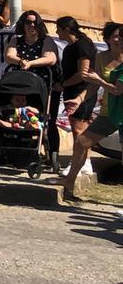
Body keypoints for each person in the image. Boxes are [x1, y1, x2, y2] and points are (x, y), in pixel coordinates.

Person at [62, 22, 123, 202]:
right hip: (109, 112)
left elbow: (117, 89)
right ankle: (69, 184)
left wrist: (100, 81)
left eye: (121, 35)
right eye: (115, 35)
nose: (118, 39)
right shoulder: (102, 57)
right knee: (81, 142)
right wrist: (79, 99)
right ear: (108, 38)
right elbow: (93, 84)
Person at [4, 9, 59, 167]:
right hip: (20, 86)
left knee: (46, 120)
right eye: (28, 22)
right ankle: (14, 151)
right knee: (17, 117)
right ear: (23, 24)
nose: (31, 25)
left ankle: (50, 153)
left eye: (35, 22)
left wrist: (31, 63)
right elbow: (9, 56)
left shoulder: (45, 40)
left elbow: (51, 58)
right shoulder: (16, 40)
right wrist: (21, 61)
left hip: (41, 86)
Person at [56, 16, 99, 177]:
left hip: (82, 92)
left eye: (59, 28)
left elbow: (83, 74)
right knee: (78, 128)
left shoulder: (82, 46)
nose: (56, 32)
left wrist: (64, 84)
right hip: (71, 92)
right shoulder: (69, 48)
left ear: (66, 29)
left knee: (79, 129)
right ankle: (83, 161)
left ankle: (82, 163)